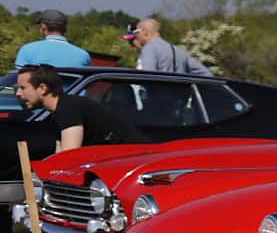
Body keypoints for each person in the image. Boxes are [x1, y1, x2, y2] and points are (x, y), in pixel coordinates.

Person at [12, 64, 147, 152]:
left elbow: (69, 157)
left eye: (23, 88)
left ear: (42, 88)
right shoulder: (60, 110)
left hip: (135, 164)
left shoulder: (68, 109)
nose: (18, 93)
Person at [122, 17, 211, 76]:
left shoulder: (149, 49)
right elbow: (206, 74)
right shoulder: (178, 50)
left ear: (145, 31)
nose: (136, 36)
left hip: (157, 98)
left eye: (136, 32)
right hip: (180, 98)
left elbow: (146, 78)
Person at [13, 10, 94, 69]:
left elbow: (21, 80)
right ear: (65, 29)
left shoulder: (27, 49)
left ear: (43, 28)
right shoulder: (83, 55)